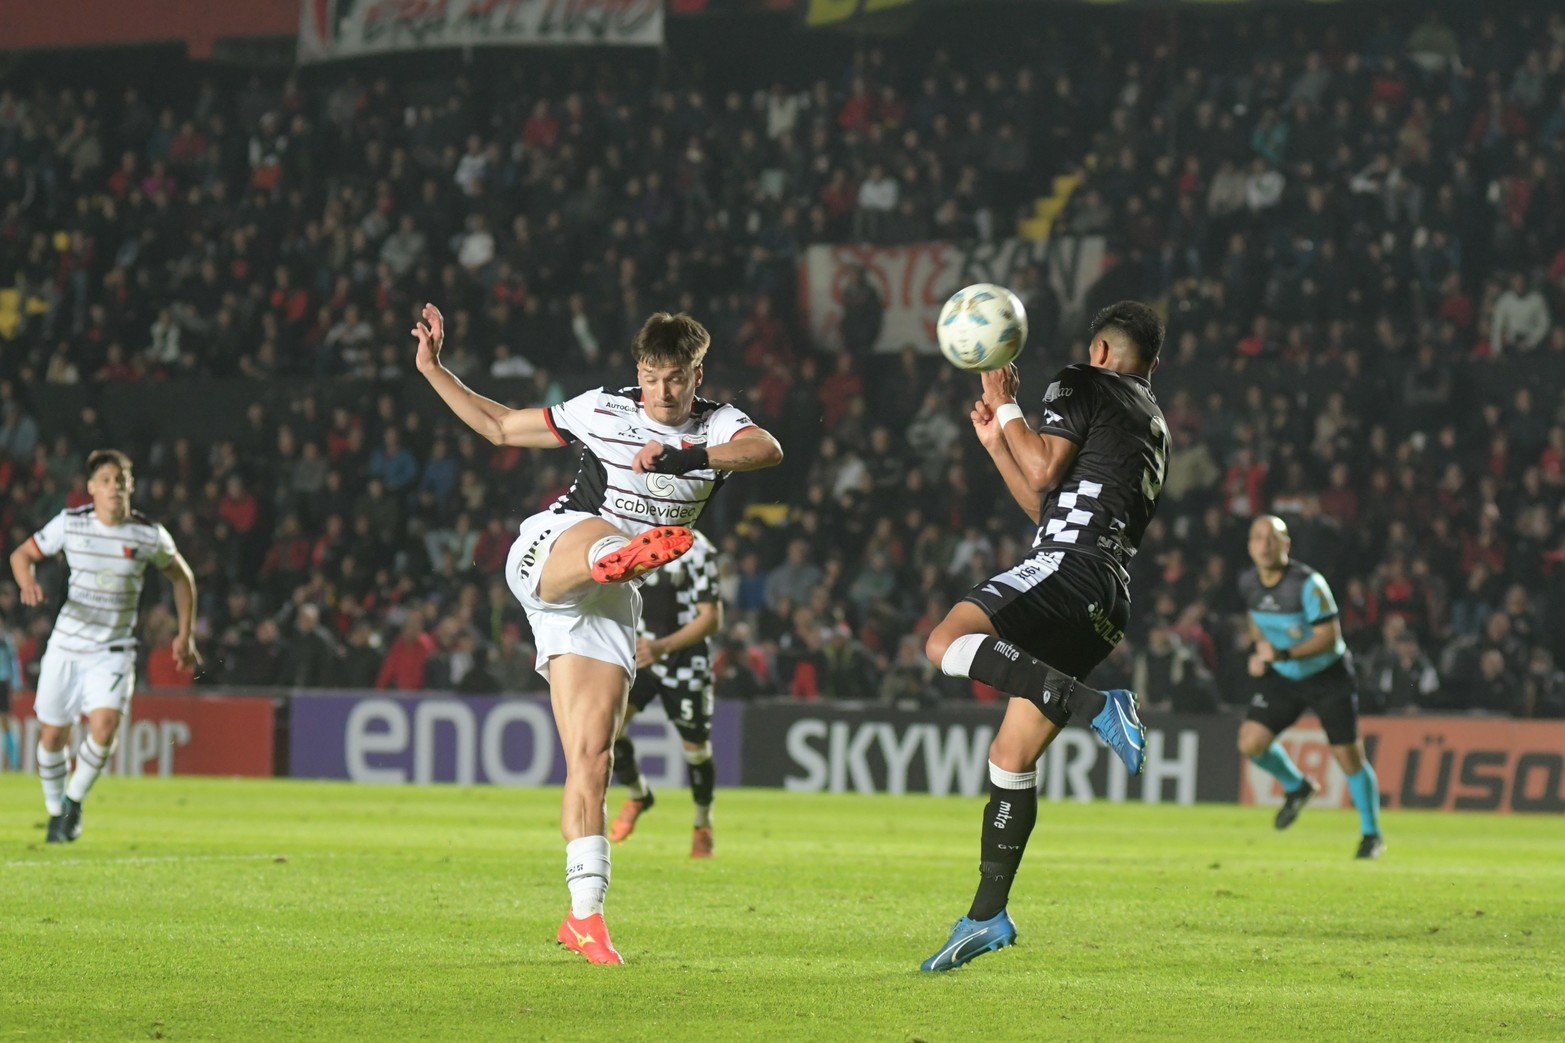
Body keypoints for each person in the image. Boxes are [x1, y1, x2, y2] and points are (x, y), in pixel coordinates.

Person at [412, 303, 781, 965]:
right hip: (553, 548)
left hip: (611, 600)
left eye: (676, 379)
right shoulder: (603, 408)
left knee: (592, 757)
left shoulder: (717, 424)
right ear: (637, 369)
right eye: (650, 376)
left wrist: (686, 453)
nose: (662, 392)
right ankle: (610, 557)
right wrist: (434, 369)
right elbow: (499, 427)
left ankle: (584, 916)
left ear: (699, 374)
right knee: (602, 546)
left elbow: (767, 449)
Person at [919, 301, 1169, 972]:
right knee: (1010, 753)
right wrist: (1000, 442)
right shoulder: (1149, 419)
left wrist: (1006, 404)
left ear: (1102, 351)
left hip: (1068, 566)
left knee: (944, 642)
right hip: (1105, 596)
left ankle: (1096, 705)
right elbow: (1044, 500)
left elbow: (1041, 473)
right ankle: (985, 916)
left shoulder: (1079, 380)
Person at [7, 449, 200, 842]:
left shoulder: (148, 535)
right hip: (66, 646)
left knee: (105, 725)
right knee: (51, 737)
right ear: (92, 488)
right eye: (107, 480)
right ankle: (55, 810)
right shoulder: (70, 524)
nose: (115, 487)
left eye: (122, 480)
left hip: (114, 650)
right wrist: (27, 581)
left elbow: (182, 578)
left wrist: (186, 633)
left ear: (131, 486)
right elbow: (21, 554)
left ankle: (73, 802)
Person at [1237, 515, 1384, 860]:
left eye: (1273, 538)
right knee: (1250, 742)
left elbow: (1330, 639)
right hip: (1285, 677)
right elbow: (1257, 621)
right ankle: (1297, 786)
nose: (1265, 544)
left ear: (1286, 545)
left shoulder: (1309, 584)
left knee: (1348, 758)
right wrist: (1259, 652)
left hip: (1327, 677)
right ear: (1249, 546)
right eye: (1258, 538)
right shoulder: (1248, 583)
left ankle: (1371, 834)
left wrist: (1283, 652)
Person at [608, 528, 722, 858]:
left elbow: (712, 618)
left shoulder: (698, 548)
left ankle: (703, 823)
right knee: (609, 731)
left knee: (695, 749)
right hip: (642, 653)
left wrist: (663, 647)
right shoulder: (631, 538)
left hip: (685, 658)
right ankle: (639, 794)